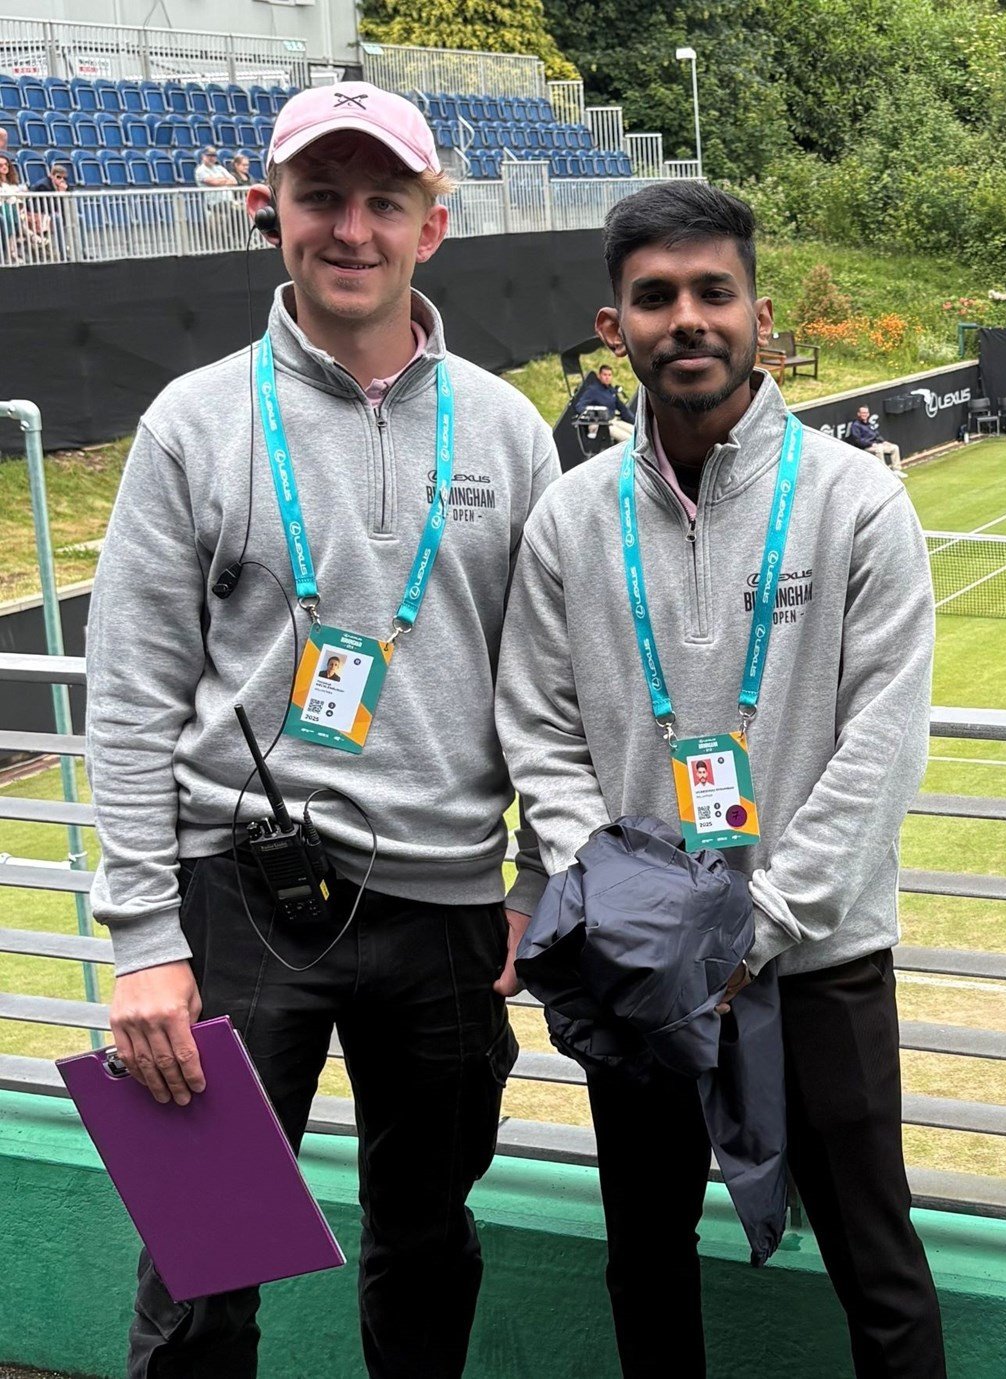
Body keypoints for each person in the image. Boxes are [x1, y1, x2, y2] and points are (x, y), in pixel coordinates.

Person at [88, 82, 560, 1378]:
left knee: (424, 1243)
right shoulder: (193, 421)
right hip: (232, 907)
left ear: (434, 227)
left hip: (450, 911)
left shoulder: (510, 432)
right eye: (320, 197)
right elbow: (128, 694)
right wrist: (139, 940)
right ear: (270, 213)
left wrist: (541, 877)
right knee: (202, 1267)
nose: (351, 228)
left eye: (382, 201)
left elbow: (553, 690)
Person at [496, 181, 946, 1378]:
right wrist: (630, 911)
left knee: (877, 1263)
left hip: (817, 958)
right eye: (655, 297)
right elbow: (536, 726)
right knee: (644, 1254)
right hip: (636, 965)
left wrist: (753, 921)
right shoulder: (567, 517)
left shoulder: (859, 503)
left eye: (713, 292)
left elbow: (884, 741)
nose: (685, 318)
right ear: (614, 326)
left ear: (756, 314)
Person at [577, 361, 635, 445]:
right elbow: (580, 406)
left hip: (614, 421)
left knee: (636, 434)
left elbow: (623, 409)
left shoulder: (611, 391)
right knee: (629, 439)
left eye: (609, 375)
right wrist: (594, 414)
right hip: (601, 424)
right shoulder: (593, 390)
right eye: (605, 375)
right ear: (599, 376)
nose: (607, 377)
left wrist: (635, 421)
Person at [845, 404, 904, 473]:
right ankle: (884, 472)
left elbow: (876, 435)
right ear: (859, 414)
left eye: (866, 413)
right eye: (863, 413)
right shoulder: (856, 425)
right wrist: (871, 444)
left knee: (894, 447)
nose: (865, 415)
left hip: (877, 445)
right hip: (866, 448)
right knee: (879, 450)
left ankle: (897, 470)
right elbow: (857, 440)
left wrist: (883, 441)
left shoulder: (870, 424)